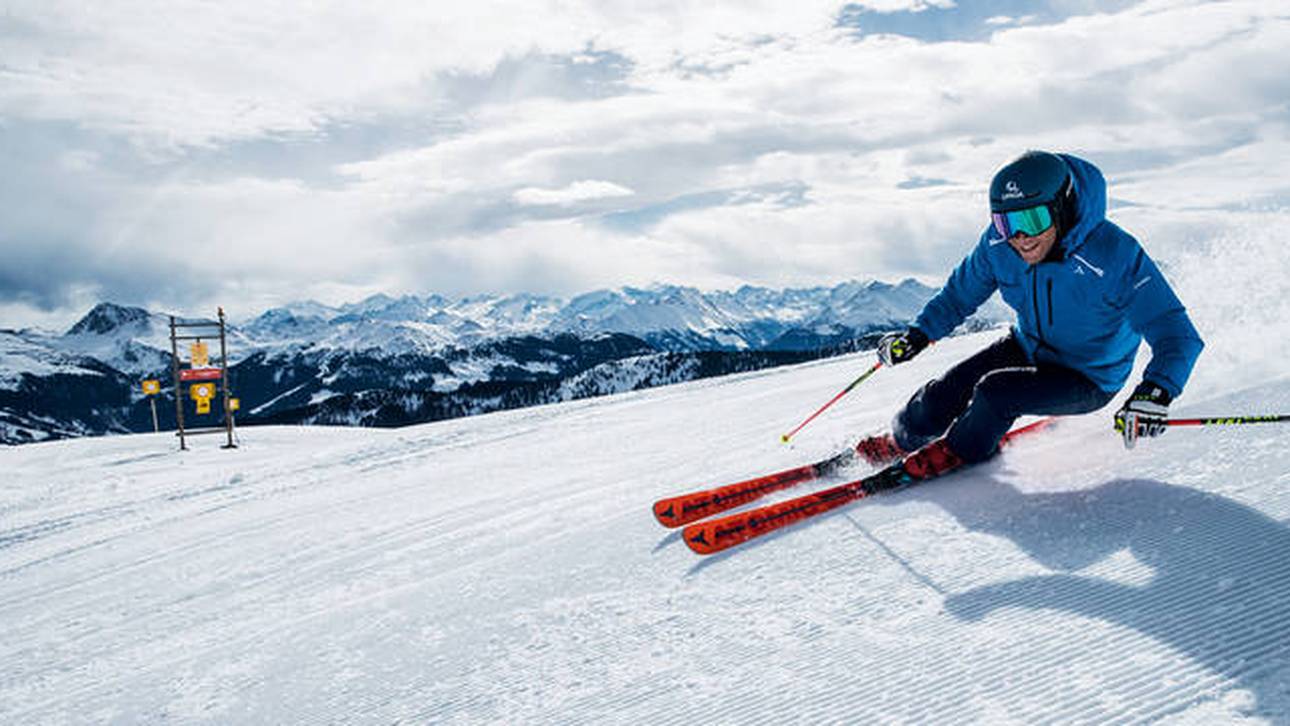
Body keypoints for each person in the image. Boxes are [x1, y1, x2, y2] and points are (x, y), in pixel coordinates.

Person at [855, 151, 1203, 481]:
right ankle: (902, 438)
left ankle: (960, 451)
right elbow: (960, 294)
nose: (1019, 237)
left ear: (1062, 207)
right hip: (1028, 345)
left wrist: (1154, 392)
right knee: (942, 394)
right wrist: (918, 334)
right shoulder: (998, 245)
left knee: (996, 394)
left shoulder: (1114, 256)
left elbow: (1176, 335)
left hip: (1088, 376)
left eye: (1032, 219)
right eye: (1005, 222)